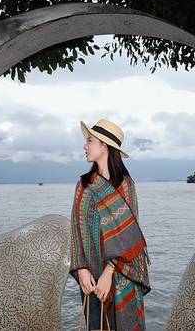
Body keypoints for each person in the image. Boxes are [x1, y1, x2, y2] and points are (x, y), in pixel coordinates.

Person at [70, 118, 151, 330]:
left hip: (120, 274)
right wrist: (81, 269)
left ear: (104, 145)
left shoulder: (125, 185)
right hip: (90, 275)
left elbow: (130, 237)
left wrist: (109, 273)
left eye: (89, 141)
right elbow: (76, 230)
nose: (85, 146)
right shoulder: (84, 186)